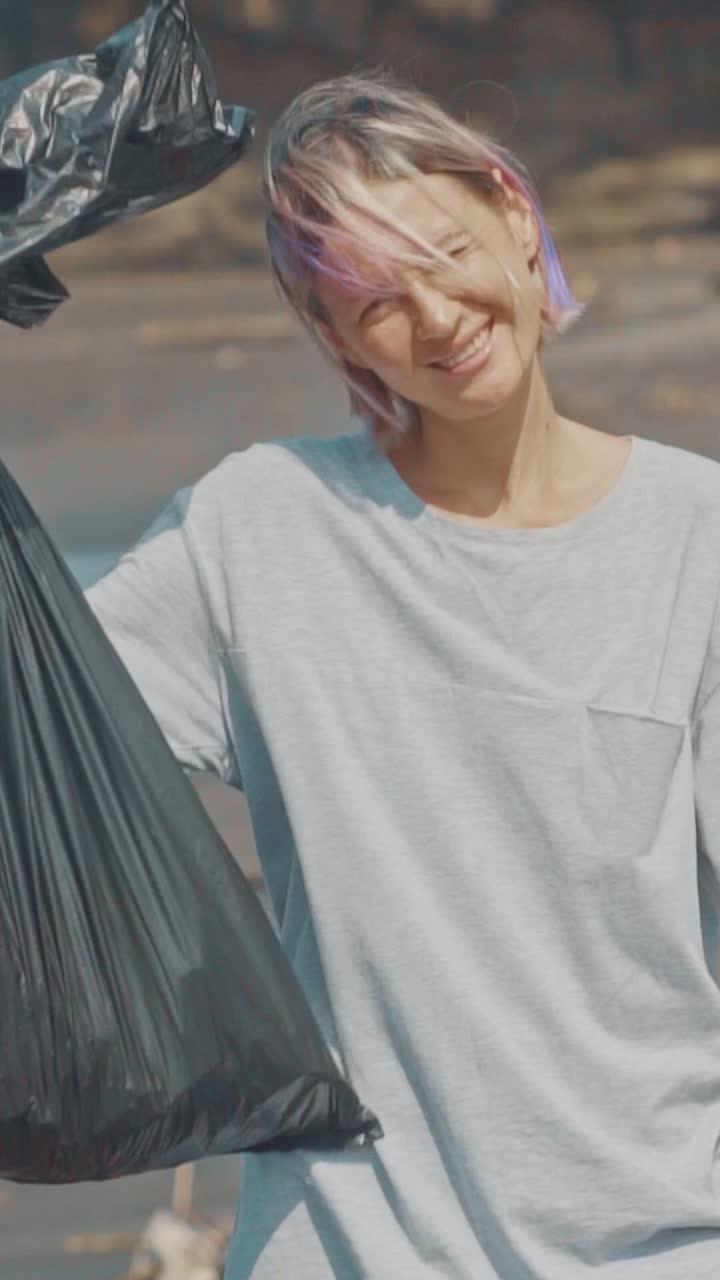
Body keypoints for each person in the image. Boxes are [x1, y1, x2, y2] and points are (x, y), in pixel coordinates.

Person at [85, 70, 720, 1279]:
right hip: (338, 1250)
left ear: (516, 218)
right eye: (375, 299)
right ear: (328, 334)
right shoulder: (257, 532)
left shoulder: (699, 539)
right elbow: (42, 731)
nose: (435, 315)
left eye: (444, 249)